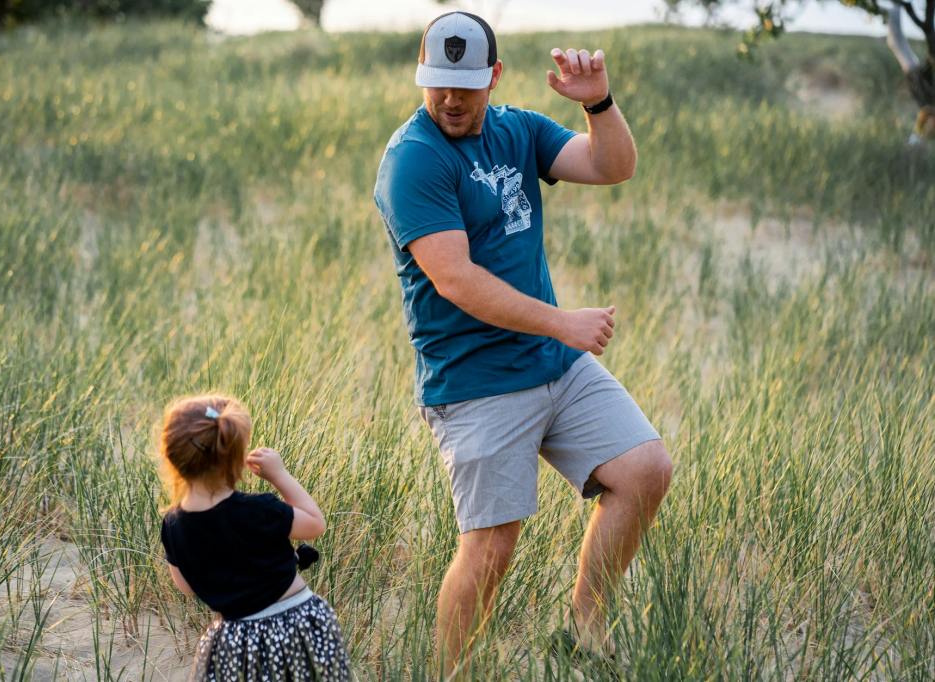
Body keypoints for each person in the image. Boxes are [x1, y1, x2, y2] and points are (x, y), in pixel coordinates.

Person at [373, 11, 673, 674]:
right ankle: (448, 673)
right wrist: (562, 322)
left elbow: (611, 166)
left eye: (465, 84)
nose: (449, 98)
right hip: (474, 380)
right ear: (421, 78)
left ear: (493, 77)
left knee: (643, 470)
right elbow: (455, 280)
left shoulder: (517, 130)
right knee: (489, 548)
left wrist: (597, 102)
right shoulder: (412, 160)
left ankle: (584, 627)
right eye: (436, 84)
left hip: (550, 363)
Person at [157, 394, 351, 681]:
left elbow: (184, 585)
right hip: (297, 625)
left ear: (172, 457)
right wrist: (279, 475)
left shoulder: (173, 525)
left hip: (232, 642)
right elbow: (315, 524)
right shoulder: (258, 509)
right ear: (235, 459)